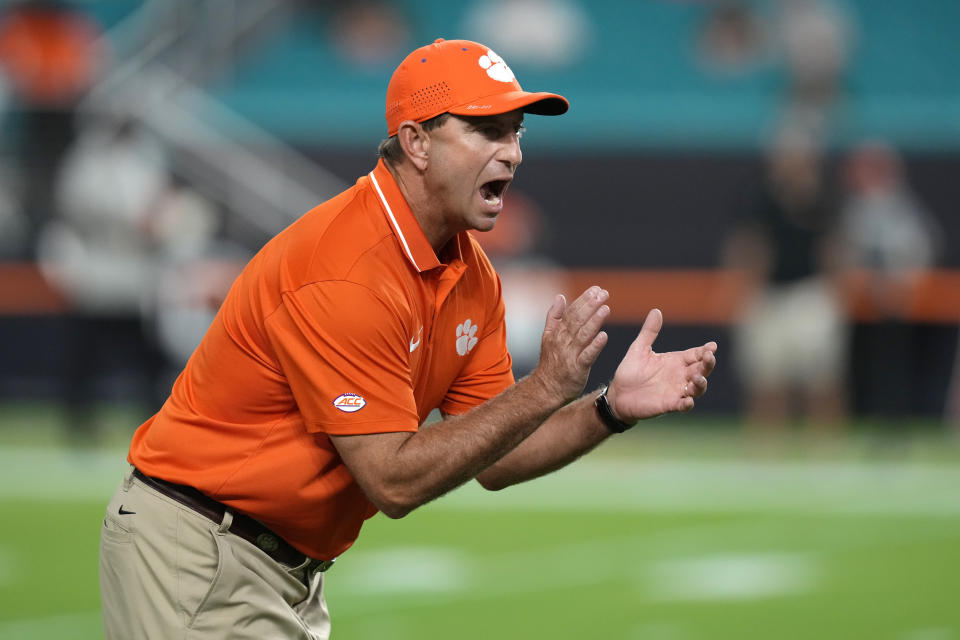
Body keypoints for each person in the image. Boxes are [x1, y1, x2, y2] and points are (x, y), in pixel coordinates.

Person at [98, 38, 718, 639]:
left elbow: (497, 454)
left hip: (269, 560)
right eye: (487, 129)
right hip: (199, 546)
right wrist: (546, 388)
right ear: (417, 142)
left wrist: (609, 409)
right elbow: (392, 481)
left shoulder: (469, 272)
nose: (513, 152)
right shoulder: (346, 268)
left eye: (516, 131)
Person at [724, 126, 845, 432]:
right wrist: (741, 287)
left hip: (810, 292)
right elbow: (746, 245)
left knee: (821, 380)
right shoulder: (760, 198)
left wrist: (838, 291)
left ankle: (825, 451)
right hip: (768, 295)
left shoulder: (824, 199)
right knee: (765, 381)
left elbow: (835, 248)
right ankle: (767, 453)